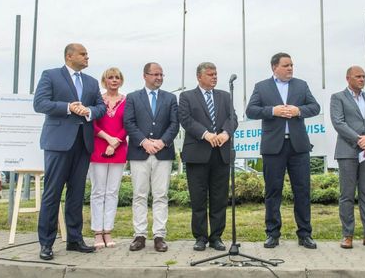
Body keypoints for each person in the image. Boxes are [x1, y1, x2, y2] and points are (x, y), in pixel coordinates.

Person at [33, 43, 106, 260]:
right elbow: (40, 104)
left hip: (83, 144)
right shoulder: (51, 75)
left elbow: (101, 107)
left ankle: (74, 240)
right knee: (52, 193)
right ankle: (46, 243)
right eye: (83, 54)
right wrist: (68, 107)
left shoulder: (91, 82)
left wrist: (89, 111)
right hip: (58, 143)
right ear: (69, 56)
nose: (87, 57)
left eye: (87, 54)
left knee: (76, 194)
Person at [246, 52, 320, 249]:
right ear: (274, 67)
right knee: (273, 191)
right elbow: (251, 111)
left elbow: (315, 107)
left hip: (298, 147)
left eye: (292, 65)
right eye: (286, 65)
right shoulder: (261, 87)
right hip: (273, 147)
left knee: (302, 191)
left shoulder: (301, 85)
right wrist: (273, 111)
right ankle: (272, 234)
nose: (290, 68)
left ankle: (305, 234)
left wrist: (299, 111)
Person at [178, 62, 238, 252]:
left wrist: (225, 133)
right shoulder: (187, 96)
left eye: (215, 74)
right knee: (198, 198)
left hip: (221, 153)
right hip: (197, 154)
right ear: (199, 76)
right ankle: (200, 237)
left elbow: (233, 118)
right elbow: (186, 119)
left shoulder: (225, 96)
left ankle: (216, 237)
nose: (214, 77)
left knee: (219, 198)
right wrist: (206, 134)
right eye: (210, 74)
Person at [330, 66, 365, 249]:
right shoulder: (338, 97)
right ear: (348, 78)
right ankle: (347, 235)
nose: (362, 79)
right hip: (347, 151)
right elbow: (338, 122)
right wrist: (359, 139)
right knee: (347, 194)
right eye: (358, 76)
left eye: (363, 76)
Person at [123, 62, 179, 252]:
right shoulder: (132, 98)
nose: (159, 78)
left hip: (163, 153)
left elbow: (174, 124)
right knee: (139, 195)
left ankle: (159, 236)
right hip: (139, 153)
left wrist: (162, 142)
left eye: (161, 75)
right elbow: (128, 122)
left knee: (161, 195)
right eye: (155, 74)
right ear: (145, 75)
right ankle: (139, 235)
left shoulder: (170, 98)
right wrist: (144, 142)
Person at [89, 67, 128, 249]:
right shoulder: (97, 100)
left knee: (112, 192)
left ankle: (108, 231)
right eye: (110, 77)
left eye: (117, 77)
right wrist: (108, 139)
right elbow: (92, 123)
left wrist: (115, 142)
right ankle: (97, 232)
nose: (114, 80)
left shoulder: (127, 101)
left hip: (119, 149)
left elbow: (128, 123)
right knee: (98, 191)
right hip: (98, 148)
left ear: (121, 80)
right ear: (104, 80)